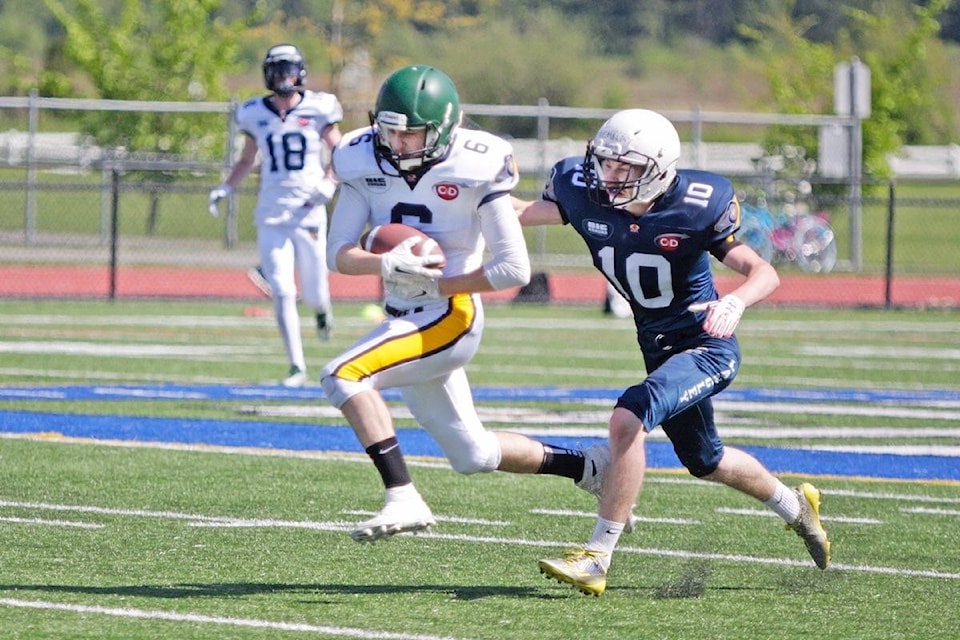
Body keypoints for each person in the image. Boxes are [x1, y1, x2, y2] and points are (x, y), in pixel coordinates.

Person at [514, 108, 831, 596]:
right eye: (606, 163)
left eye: (627, 168)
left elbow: (764, 272)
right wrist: (463, 196)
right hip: (659, 348)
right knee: (707, 461)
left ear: (659, 169)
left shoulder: (697, 205)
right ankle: (797, 509)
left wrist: (735, 301)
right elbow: (516, 213)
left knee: (627, 418)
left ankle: (598, 556)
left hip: (707, 345)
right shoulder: (585, 195)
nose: (611, 177)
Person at [320, 64, 615, 543]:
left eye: (411, 135)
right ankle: (589, 466)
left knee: (343, 374)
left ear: (444, 130)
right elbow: (339, 254)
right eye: (390, 131)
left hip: (450, 314)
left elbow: (513, 269)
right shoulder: (361, 159)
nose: (397, 145)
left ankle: (403, 495)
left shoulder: (478, 165)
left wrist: (438, 286)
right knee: (471, 455)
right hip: (402, 316)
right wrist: (388, 267)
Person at [209, 43, 342, 387]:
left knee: (314, 291)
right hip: (271, 212)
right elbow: (246, 159)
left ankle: (322, 311)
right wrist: (226, 187)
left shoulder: (319, 107)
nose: (285, 76)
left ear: (300, 72)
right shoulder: (255, 112)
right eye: (279, 69)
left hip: (309, 210)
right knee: (282, 289)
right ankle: (296, 366)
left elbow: (341, 152)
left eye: (290, 68)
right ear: (268, 73)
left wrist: (330, 181)